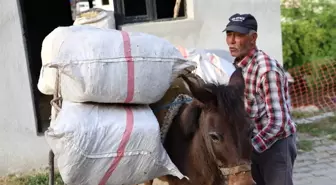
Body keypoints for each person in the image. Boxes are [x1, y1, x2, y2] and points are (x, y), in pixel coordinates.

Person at [223, 13, 297, 185]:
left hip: (276, 146)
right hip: (252, 144)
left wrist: (248, 149)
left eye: (239, 35)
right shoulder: (237, 67)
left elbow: (278, 122)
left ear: (253, 38)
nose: (231, 41)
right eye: (229, 34)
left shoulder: (266, 70)